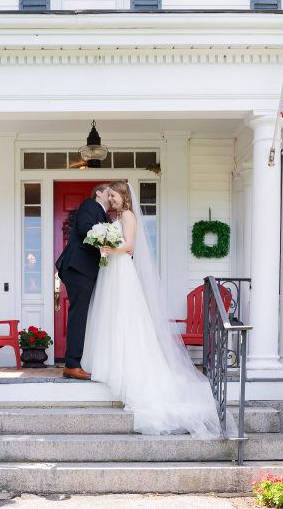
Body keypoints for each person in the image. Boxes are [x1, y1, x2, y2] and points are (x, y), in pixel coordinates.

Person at [82, 181, 225, 438]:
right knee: (111, 317)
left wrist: (108, 248)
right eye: (110, 196)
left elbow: (129, 247)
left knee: (125, 318)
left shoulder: (128, 216)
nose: (111, 200)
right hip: (111, 271)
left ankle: (126, 368)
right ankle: (109, 364)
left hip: (122, 270)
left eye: (113, 195)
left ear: (123, 195)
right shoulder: (115, 217)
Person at [54, 183, 113, 380]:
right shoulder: (90, 205)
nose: (111, 197)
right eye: (108, 193)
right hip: (79, 268)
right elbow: (85, 230)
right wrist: (109, 241)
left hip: (87, 269)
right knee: (79, 315)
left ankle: (80, 360)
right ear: (98, 193)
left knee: (86, 315)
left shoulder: (104, 214)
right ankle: (72, 364)